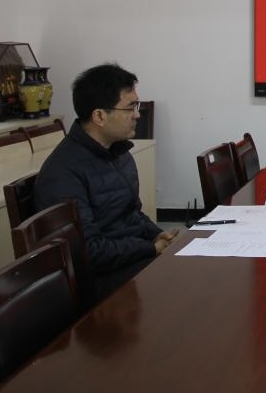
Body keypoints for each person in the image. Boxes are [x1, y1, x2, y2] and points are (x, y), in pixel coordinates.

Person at [35, 63, 179, 302]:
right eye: (130, 107)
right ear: (100, 116)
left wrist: (158, 236)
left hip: (130, 262)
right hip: (102, 283)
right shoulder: (63, 174)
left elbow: (132, 214)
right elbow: (88, 252)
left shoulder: (117, 152)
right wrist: (150, 248)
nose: (137, 115)